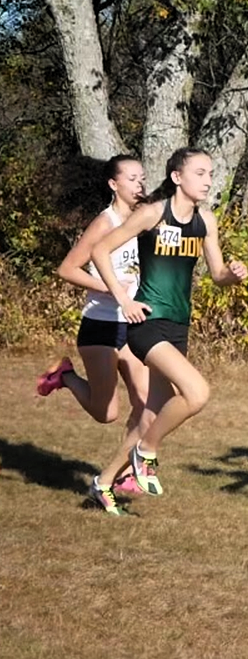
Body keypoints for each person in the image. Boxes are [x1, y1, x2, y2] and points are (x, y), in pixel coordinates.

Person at [86, 147, 248, 515]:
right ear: (177, 177)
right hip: (147, 324)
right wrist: (123, 300)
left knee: (148, 415)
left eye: (210, 173)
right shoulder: (152, 214)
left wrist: (232, 276)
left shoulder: (206, 221)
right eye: (200, 173)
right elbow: (100, 251)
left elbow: (217, 274)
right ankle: (147, 451)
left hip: (178, 326)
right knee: (197, 393)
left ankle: (103, 482)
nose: (208, 180)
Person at [36, 155, 150, 494]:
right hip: (100, 326)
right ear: (114, 185)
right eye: (132, 178)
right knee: (107, 413)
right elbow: (68, 268)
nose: (139, 184)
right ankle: (65, 376)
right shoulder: (105, 222)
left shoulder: (144, 222)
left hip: (132, 325)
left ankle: (129, 472)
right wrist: (113, 290)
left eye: (142, 178)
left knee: (147, 403)